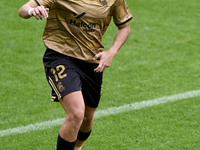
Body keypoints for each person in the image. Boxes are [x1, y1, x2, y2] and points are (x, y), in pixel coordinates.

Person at [18, 0, 133, 149]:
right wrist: (32, 11)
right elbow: (23, 9)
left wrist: (111, 52)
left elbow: (125, 27)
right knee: (77, 113)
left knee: (87, 117)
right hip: (60, 56)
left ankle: (78, 147)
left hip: (91, 61)